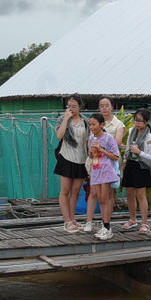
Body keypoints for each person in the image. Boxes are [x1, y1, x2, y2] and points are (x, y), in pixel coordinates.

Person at [54, 95, 90, 233]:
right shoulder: (62, 119)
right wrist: (66, 118)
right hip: (66, 158)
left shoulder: (85, 121)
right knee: (65, 190)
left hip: (81, 159)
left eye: (74, 106)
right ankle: (67, 220)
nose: (71, 109)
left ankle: (72, 218)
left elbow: (87, 140)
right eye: (69, 106)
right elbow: (59, 135)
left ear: (80, 107)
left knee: (75, 191)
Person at [86, 112, 121, 239]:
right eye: (90, 124)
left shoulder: (108, 138)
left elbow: (116, 156)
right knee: (99, 198)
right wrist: (91, 152)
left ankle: (107, 227)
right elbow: (91, 156)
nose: (92, 127)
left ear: (102, 124)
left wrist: (101, 150)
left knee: (105, 198)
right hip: (96, 170)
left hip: (106, 171)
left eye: (94, 124)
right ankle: (104, 226)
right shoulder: (91, 139)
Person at [121, 109, 151, 234]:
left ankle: (145, 223)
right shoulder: (131, 131)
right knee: (129, 193)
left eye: (140, 121)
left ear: (147, 122)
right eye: (136, 120)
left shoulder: (149, 136)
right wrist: (125, 162)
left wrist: (139, 152)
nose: (137, 123)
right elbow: (127, 149)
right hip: (131, 164)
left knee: (141, 195)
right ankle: (132, 219)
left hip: (142, 166)